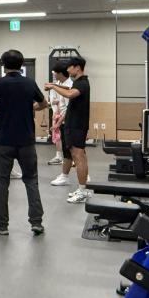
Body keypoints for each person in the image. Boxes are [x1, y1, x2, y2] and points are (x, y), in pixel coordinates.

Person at [0, 49, 47, 236]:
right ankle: (36, 223)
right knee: (31, 180)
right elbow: (44, 104)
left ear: (3, 65)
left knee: (1, 182)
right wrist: (31, 107)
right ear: (21, 64)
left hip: (3, 141)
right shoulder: (30, 83)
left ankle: (1, 225)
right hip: (26, 141)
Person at [45, 56, 91, 204]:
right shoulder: (77, 82)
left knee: (78, 156)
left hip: (77, 125)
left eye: (70, 67)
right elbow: (69, 89)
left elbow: (70, 93)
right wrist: (53, 84)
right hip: (73, 124)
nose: (68, 70)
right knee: (76, 156)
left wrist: (53, 87)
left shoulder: (82, 83)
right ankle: (82, 189)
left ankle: (83, 191)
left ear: (77, 67)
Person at [47, 64, 73, 170]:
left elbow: (68, 109)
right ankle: (64, 173)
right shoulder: (58, 84)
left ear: (61, 74)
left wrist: (58, 123)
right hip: (60, 117)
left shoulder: (70, 85)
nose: (54, 75)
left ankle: (85, 175)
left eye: (55, 73)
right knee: (65, 146)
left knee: (73, 149)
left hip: (68, 120)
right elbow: (55, 100)